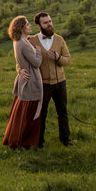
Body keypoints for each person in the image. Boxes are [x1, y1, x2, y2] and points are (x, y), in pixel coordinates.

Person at [29, 12, 72, 147]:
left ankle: (65, 140)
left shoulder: (59, 40)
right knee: (41, 114)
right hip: (43, 84)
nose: (49, 24)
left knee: (63, 112)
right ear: (38, 25)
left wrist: (58, 58)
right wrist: (21, 70)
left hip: (60, 82)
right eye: (45, 22)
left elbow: (68, 59)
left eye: (50, 21)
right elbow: (22, 58)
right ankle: (39, 142)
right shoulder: (32, 41)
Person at [1, 15, 43, 149]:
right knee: (29, 115)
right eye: (27, 24)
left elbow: (19, 62)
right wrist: (38, 51)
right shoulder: (23, 44)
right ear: (22, 28)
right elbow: (36, 63)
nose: (30, 26)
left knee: (21, 114)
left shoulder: (18, 41)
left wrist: (19, 70)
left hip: (24, 81)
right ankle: (24, 142)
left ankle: (19, 140)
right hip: (31, 82)